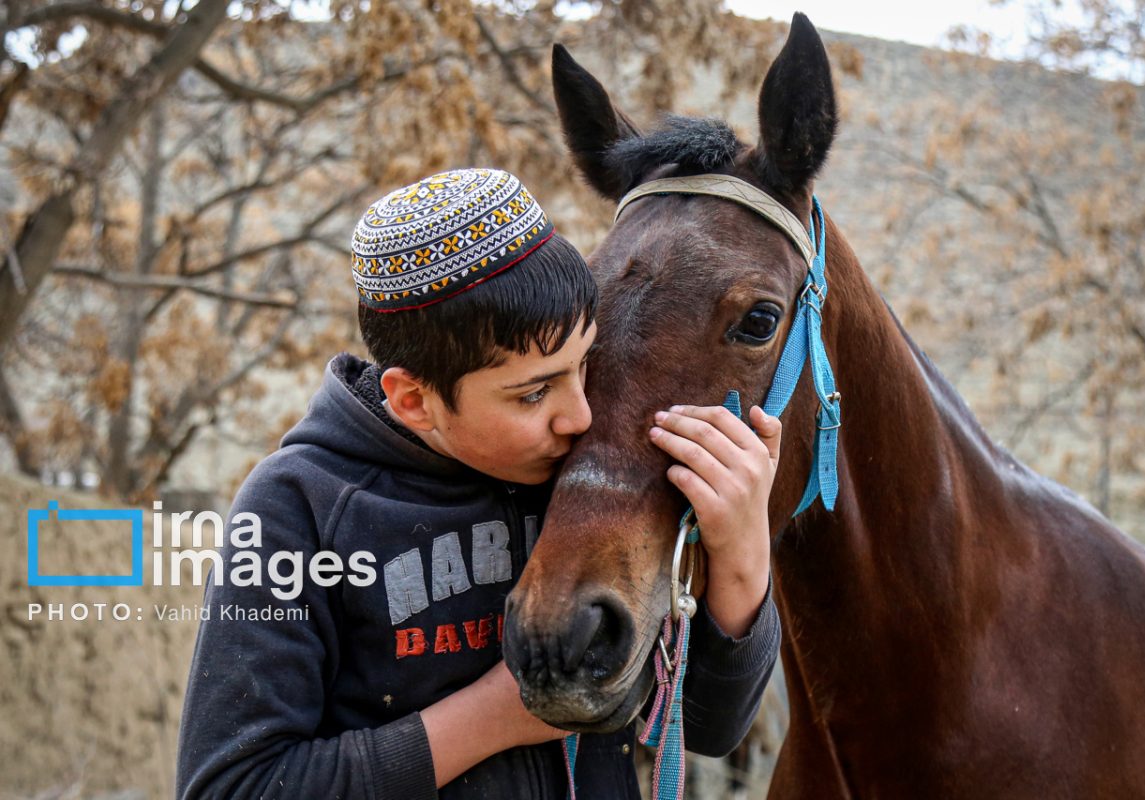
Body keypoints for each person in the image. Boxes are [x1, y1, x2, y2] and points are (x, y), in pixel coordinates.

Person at [176, 168, 782, 799]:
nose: (580, 416)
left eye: (584, 366)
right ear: (414, 400)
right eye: (533, 392)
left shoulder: (571, 471)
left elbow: (709, 727)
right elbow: (231, 787)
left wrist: (741, 554)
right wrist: (496, 717)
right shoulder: (297, 509)